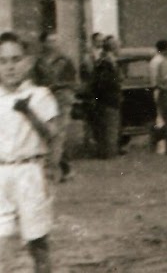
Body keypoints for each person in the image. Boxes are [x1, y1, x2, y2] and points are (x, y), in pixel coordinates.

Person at [0, 32, 60, 272]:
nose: (10, 67)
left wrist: (29, 113)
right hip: (1, 173)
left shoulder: (39, 95)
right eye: (3, 61)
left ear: (27, 62)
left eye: (15, 60)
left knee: (37, 241)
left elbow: (51, 134)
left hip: (29, 173)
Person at [30, 34, 75, 182]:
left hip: (62, 100)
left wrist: (58, 86)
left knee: (58, 134)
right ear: (43, 43)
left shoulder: (65, 60)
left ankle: (52, 169)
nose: (53, 44)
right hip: (45, 99)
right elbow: (35, 81)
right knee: (50, 135)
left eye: (55, 40)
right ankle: (66, 168)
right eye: (50, 41)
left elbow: (72, 81)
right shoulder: (38, 62)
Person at [84, 36, 121, 160]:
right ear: (113, 47)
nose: (119, 48)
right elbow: (104, 82)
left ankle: (107, 152)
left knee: (107, 126)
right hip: (108, 99)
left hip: (106, 99)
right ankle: (108, 153)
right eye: (117, 45)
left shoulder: (106, 61)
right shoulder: (106, 62)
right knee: (109, 126)